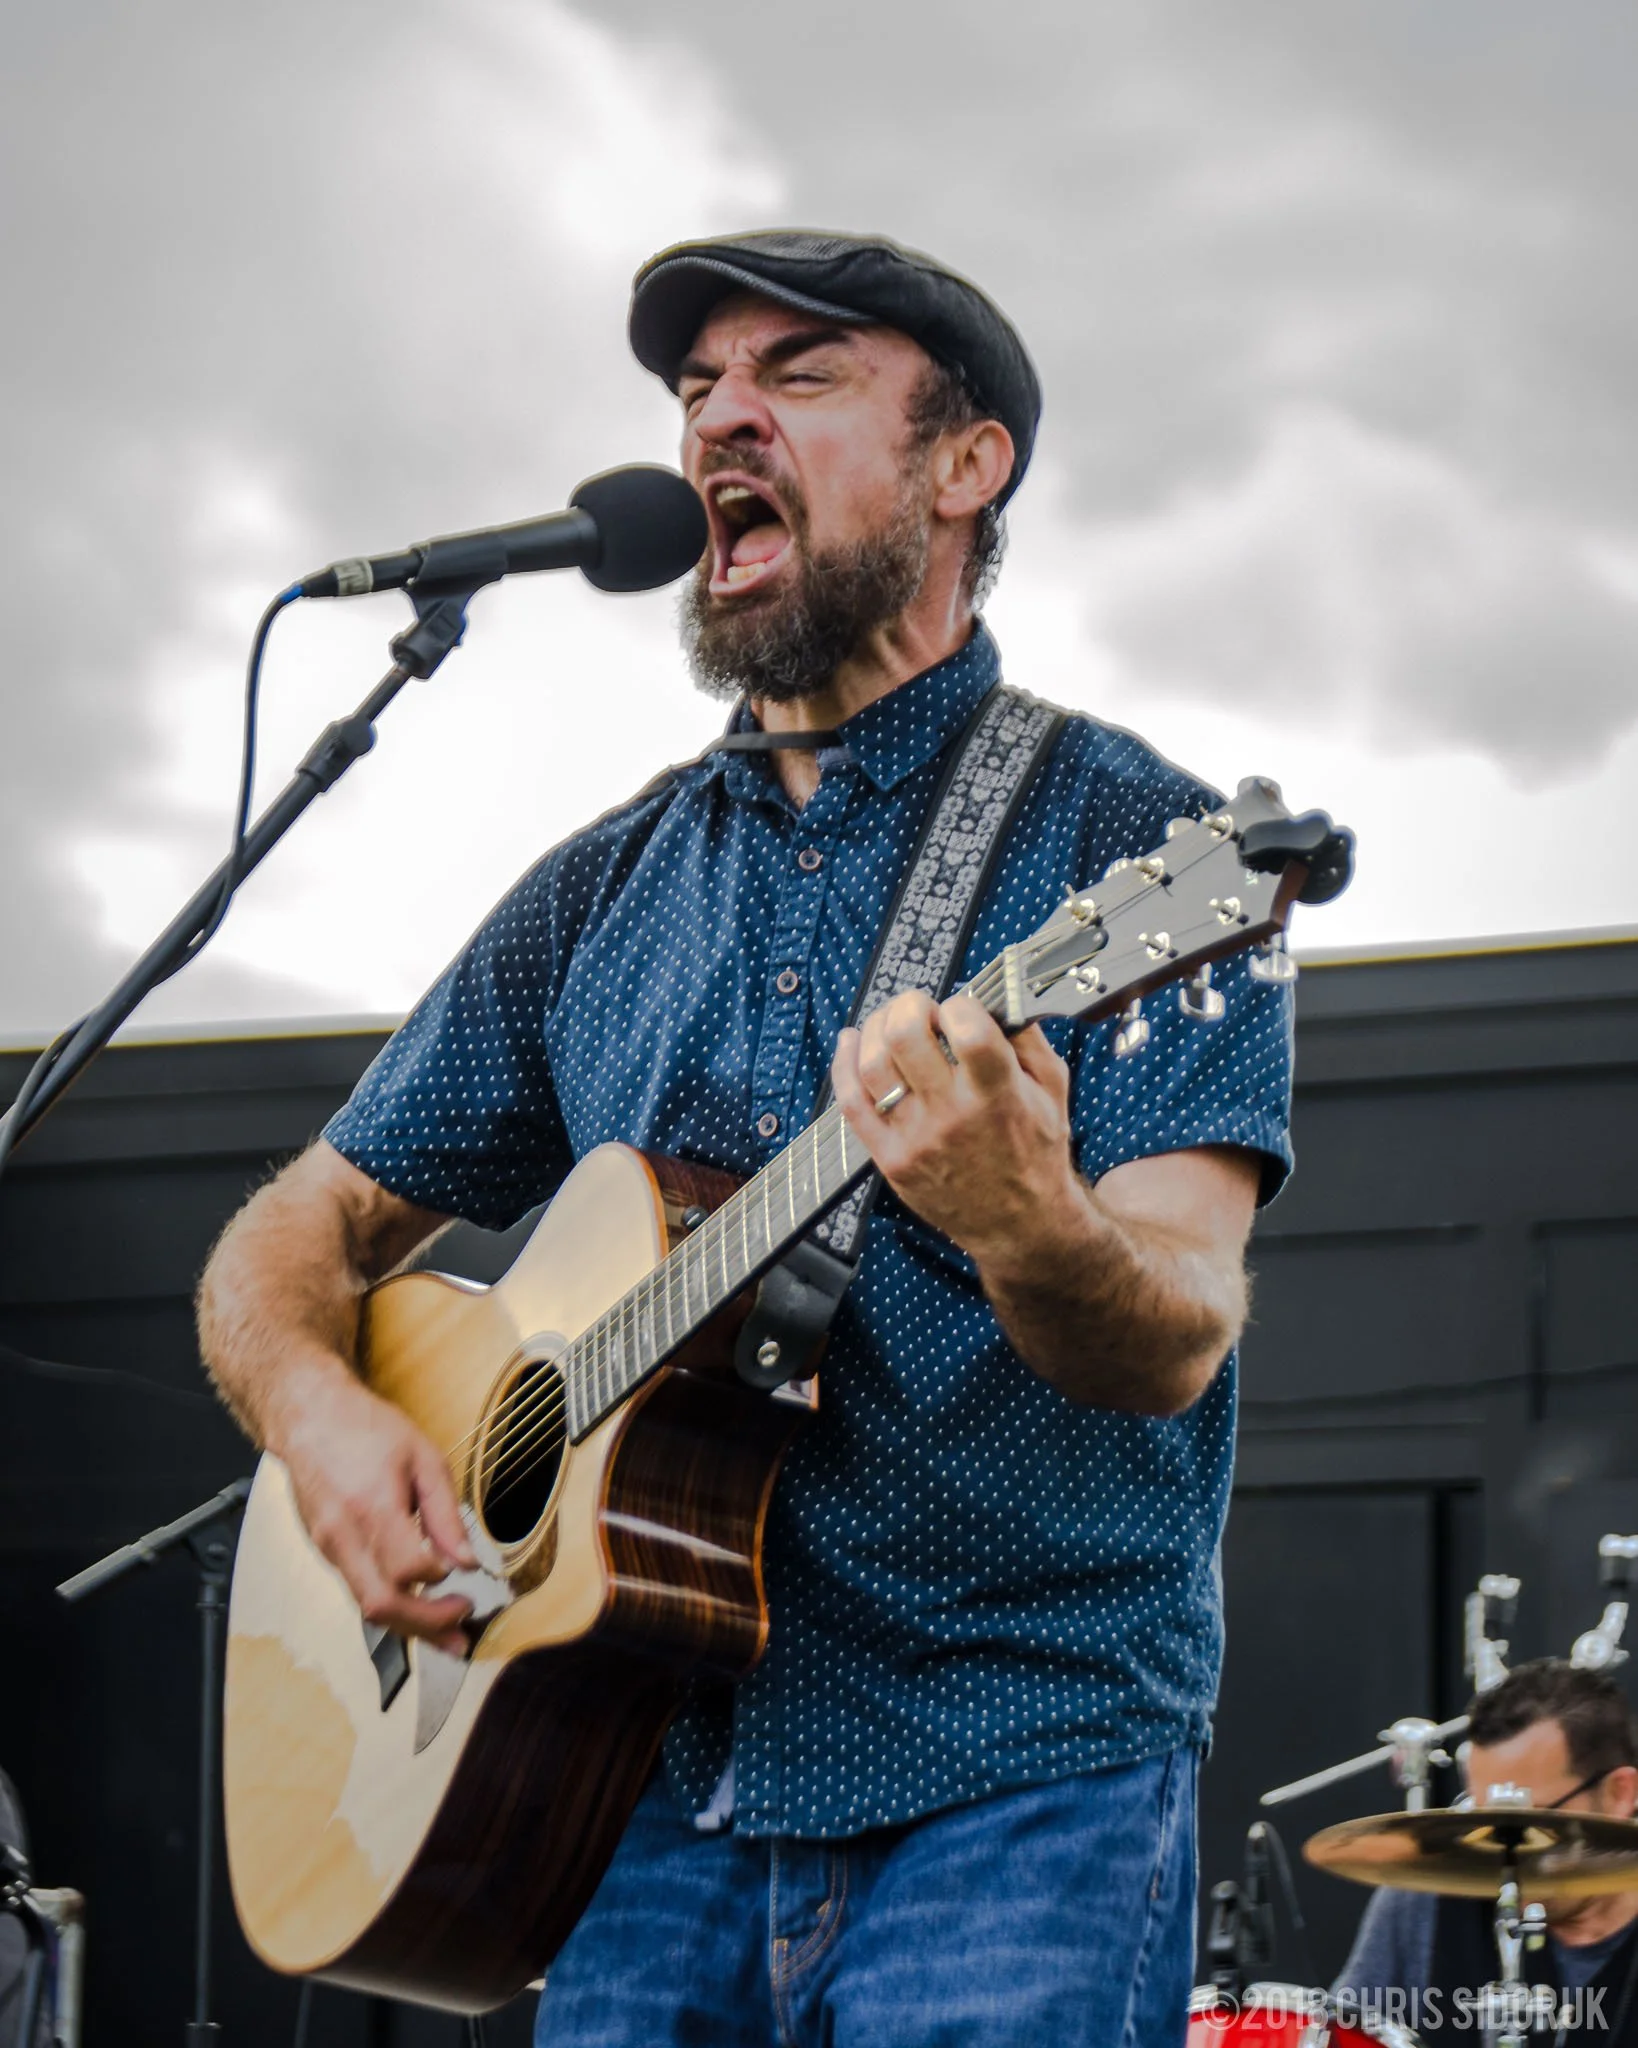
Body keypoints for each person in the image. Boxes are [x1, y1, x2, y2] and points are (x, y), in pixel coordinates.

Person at [197, 229, 1296, 2048]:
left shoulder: (1138, 851)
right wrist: (323, 1422)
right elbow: (285, 1238)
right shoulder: (597, 892)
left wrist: (1023, 1221)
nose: (718, 417)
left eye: (796, 376)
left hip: (1010, 1779)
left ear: (965, 466)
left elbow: (1173, 1323)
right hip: (637, 1789)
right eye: (695, 385)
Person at [1333, 1659, 1638, 2042]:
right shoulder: (1422, 1899)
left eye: (1534, 1822)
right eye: (1484, 1819)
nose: (1504, 1847)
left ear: (1619, 1793)